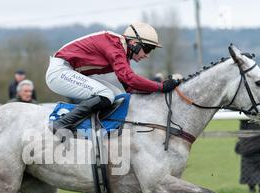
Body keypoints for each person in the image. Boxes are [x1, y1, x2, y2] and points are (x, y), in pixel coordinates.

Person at [45, 22, 180, 133]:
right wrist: (160, 86)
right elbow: (130, 79)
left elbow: (130, 89)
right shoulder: (114, 45)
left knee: (118, 96)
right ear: (134, 43)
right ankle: (61, 124)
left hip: (69, 72)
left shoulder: (121, 51)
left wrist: (158, 91)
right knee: (106, 94)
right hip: (60, 72)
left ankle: (96, 129)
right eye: (148, 49)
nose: (147, 55)